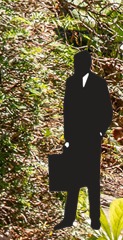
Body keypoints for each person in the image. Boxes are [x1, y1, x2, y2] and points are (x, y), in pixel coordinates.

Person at [59, 47, 113, 229]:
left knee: (92, 180)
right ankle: (68, 218)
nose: (76, 67)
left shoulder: (99, 83)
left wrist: (99, 132)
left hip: (91, 138)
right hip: (74, 138)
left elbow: (107, 111)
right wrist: (67, 137)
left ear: (88, 64)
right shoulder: (71, 82)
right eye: (75, 64)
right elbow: (67, 111)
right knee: (72, 180)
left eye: (80, 63)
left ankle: (95, 219)